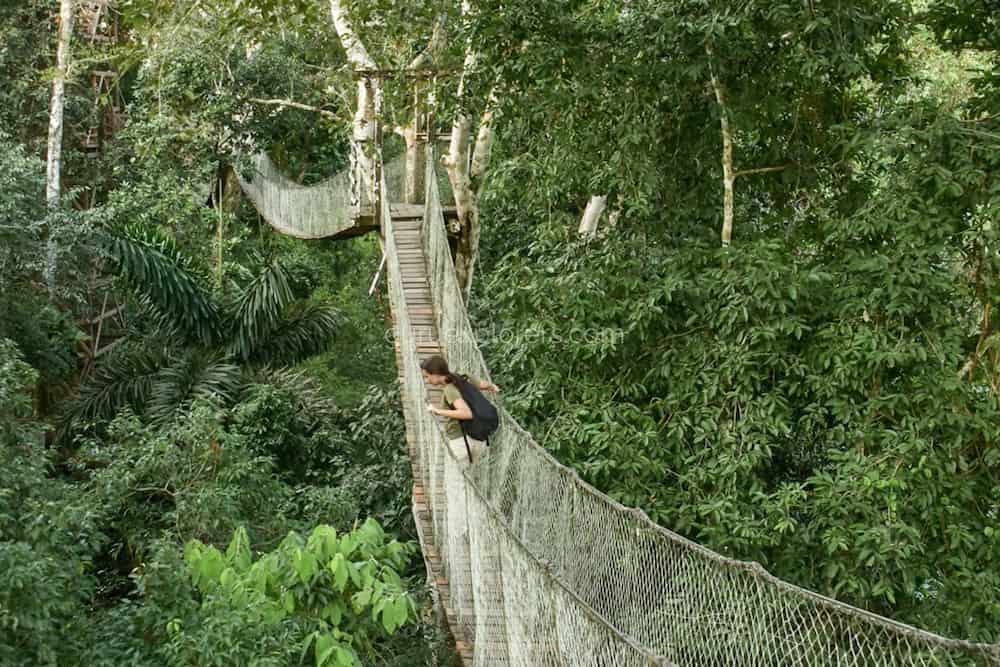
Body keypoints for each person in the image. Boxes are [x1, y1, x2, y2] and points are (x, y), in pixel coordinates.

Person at [421, 355, 499, 464]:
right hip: (478, 440)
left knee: (453, 480)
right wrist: (493, 386)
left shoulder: (449, 389)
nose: (427, 380)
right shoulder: (462, 377)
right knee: (468, 478)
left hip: (461, 442)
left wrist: (437, 411)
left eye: (427, 376)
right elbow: (482, 384)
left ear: (435, 373)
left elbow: (466, 413)